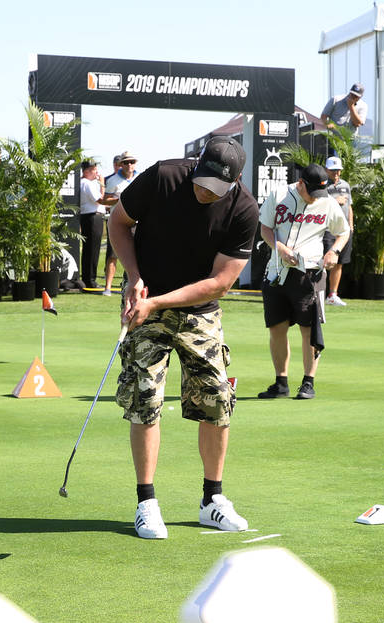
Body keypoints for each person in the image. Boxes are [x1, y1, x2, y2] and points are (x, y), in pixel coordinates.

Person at [107, 135, 259, 540]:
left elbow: (219, 283)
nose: (206, 193)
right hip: (146, 303)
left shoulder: (244, 208)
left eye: (217, 190)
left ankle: (212, 501)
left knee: (216, 401)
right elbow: (118, 223)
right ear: (196, 166)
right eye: (202, 183)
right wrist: (135, 279)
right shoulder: (162, 177)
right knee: (145, 400)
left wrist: (157, 301)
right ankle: (146, 503)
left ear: (236, 182)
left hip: (199, 312)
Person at [257, 164, 349, 400]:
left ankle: (308, 382)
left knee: (309, 330)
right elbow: (265, 228)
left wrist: (334, 252)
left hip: (310, 274)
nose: (315, 198)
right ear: (300, 183)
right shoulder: (278, 195)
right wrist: (279, 248)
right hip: (277, 272)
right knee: (277, 328)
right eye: (312, 192)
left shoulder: (326, 202)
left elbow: (344, 231)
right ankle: (281, 382)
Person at [99, 150, 138, 296]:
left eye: (132, 162)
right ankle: (108, 288)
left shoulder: (141, 178)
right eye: (126, 162)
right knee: (113, 255)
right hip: (118, 223)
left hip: (137, 222)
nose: (129, 165)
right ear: (120, 164)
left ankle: (135, 285)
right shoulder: (113, 180)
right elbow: (104, 200)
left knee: (138, 255)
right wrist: (120, 199)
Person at [321, 156, 353, 307]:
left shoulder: (345, 185)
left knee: (339, 263)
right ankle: (318, 293)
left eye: (338, 170)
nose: (336, 173)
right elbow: (318, 204)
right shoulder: (321, 186)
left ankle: (332, 295)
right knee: (325, 262)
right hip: (328, 230)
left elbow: (349, 207)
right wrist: (335, 201)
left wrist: (351, 227)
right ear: (326, 170)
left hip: (344, 231)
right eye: (333, 170)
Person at [78, 159, 105, 289]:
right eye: (94, 169)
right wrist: (103, 185)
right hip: (92, 216)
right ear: (87, 171)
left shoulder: (85, 183)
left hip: (90, 216)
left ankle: (89, 278)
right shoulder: (87, 183)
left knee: (91, 249)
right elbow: (100, 199)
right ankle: (90, 279)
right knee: (92, 249)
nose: (96, 172)